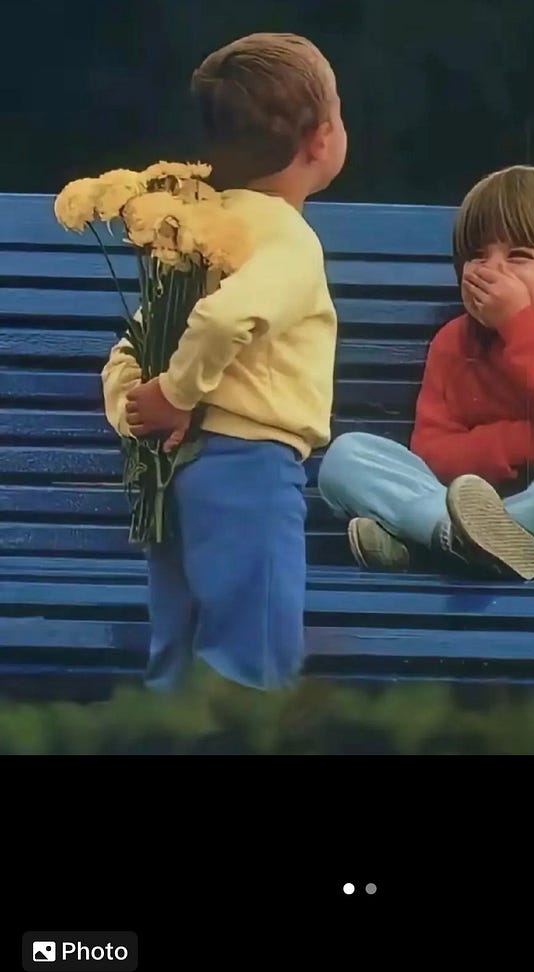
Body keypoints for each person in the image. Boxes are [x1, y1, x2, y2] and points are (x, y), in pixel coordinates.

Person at [101, 33, 347, 690]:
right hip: (251, 473)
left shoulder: (202, 230)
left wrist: (141, 412)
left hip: (178, 476)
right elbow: (223, 318)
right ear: (321, 139)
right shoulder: (290, 241)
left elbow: (134, 344)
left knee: (176, 661)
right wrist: (178, 395)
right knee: (249, 660)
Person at [318, 165, 534, 582]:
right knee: (346, 458)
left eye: (518, 257)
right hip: (464, 513)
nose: (492, 270)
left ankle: (437, 546)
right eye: (478, 255)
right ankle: (464, 540)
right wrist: (525, 443)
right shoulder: (454, 343)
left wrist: (518, 323)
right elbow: (433, 455)